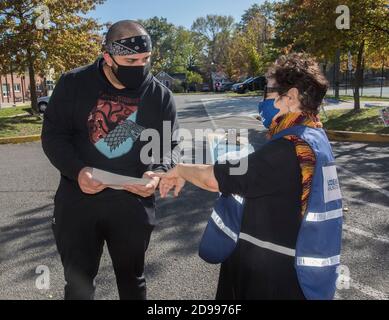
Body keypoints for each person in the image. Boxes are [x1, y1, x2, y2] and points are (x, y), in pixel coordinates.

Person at [154, 53, 343, 300]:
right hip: (294, 269)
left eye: (269, 91)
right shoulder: (314, 137)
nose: (263, 99)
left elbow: (214, 179)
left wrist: (180, 170)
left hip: (273, 276)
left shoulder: (287, 149)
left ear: (292, 97)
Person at [41, 20, 179, 300]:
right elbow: (54, 136)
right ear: (108, 57)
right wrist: (77, 171)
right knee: (78, 285)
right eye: (131, 60)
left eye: (146, 59)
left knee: (133, 283)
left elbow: (169, 145)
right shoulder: (73, 84)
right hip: (78, 204)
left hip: (132, 206)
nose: (140, 66)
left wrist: (159, 170)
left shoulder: (159, 95)